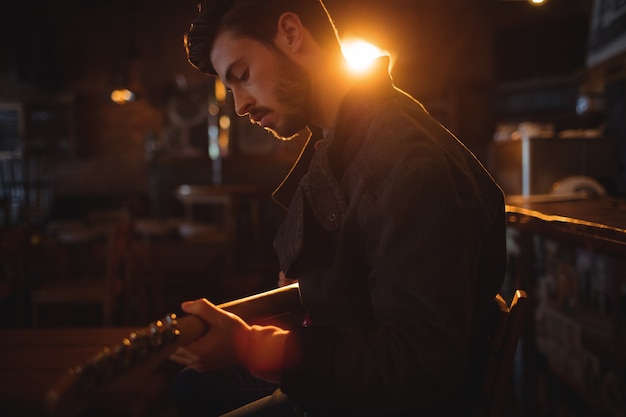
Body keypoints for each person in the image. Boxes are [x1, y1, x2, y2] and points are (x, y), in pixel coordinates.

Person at [170, 0, 507, 416]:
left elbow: (418, 370)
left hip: (383, 401)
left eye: (243, 76)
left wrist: (250, 345)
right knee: (190, 386)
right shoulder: (346, 137)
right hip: (344, 365)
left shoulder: (408, 163)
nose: (239, 105)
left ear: (291, 34)